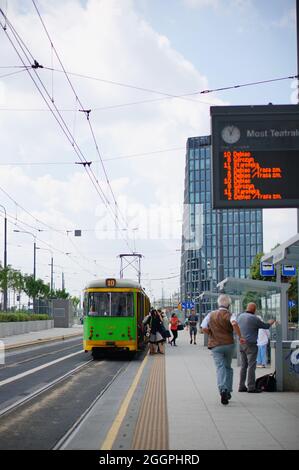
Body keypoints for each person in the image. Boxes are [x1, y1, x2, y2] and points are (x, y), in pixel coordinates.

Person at [201, 294, 244, 405]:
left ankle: (222, 389)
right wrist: (240, 337)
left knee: (220, 367)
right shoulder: (231, 314)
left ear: (218, 303)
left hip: (216, 345)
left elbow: (203, 327)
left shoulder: (211, 314)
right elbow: (234, 323)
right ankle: (228, 390)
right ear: (228, 305)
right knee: (228, 367)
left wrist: (211, 334)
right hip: (229, 344)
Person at [237, 303, 275, 393]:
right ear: (254, 310)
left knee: (243, 366)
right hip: (251, 344)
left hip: (241, 343)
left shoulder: (240, 316)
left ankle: (241, 386)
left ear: (247, 308)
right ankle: (251, 387)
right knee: (251, 366)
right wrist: (270, 322)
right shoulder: (254, 318)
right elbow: (265, 326)